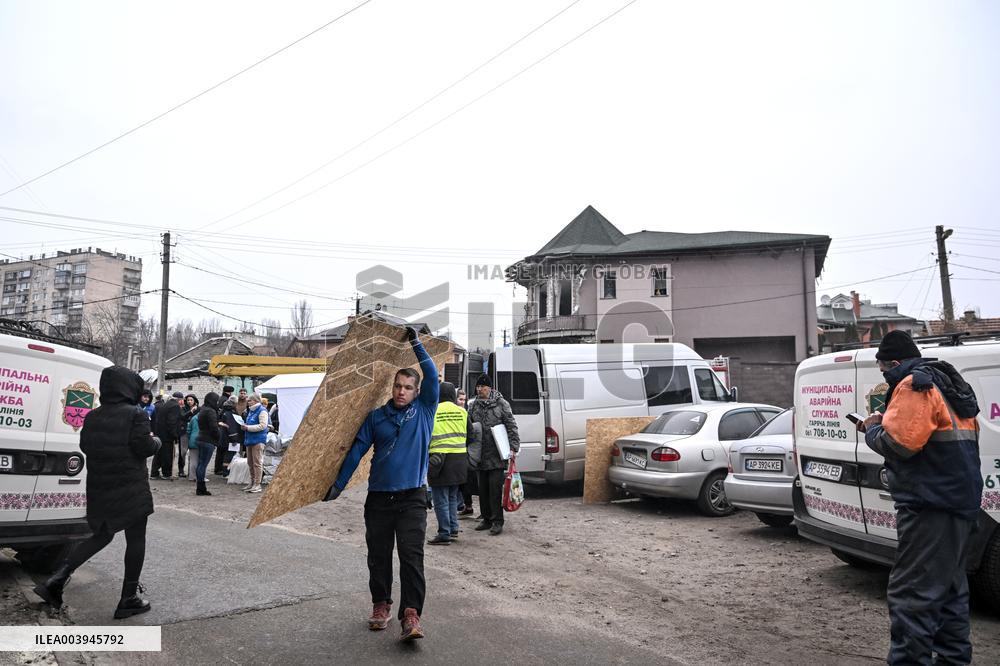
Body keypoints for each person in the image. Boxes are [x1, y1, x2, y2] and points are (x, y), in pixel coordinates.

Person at [858, 330, 982, 665]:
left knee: (912, 594)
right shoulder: (947, 385)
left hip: (930, 506)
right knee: (950, 592)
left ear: (894, 363)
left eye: (884, 369)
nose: (884, 375)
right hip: (959, 504)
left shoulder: (914, 385)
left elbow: (900, 444)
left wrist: (872, 427)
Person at [323, 327, 438, 641]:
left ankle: (411, 614)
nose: (402, 391)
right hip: (379, 499)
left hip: (413, 497)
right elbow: (357, 450)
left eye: (408, 387)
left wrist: (416, 342)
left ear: (416, 391)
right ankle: (381, 605)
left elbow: (431, 374)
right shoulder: (376, 417)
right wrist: (339, 484)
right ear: (393, 387)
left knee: (412, 557)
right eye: (398, 386)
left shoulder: (425, 410)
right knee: (379, 554)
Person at [33, 366, 158, 619]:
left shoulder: (92, 416)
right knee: (135, 539)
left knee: (101, 535)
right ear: (129, 388)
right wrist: (157, 441)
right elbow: (143, 447)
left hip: (100, 486)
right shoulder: (137, 414)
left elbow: (86, 445)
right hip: (130, 487)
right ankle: (128, 598)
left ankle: (56, 579)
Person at [468, 374, 519, 536]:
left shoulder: (501, 404)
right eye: (478, 387)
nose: (479, 389)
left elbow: (511, 425)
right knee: (482, 489)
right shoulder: (474, 405)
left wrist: (514, 447)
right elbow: (469, 425)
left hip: (496, 454)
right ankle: (487, 518)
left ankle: (498, 520)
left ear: (490, 388)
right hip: (480, 454)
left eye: (482, 387)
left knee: (494, 489)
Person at [427, 382, 469, 545]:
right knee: (452, 497)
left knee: (440, 499)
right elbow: (470, 435)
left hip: (439, 460)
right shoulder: (462, 411)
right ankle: (453, 529)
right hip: (459, 460)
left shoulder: (433, 411)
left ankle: (444, 533)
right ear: (453, 394)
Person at [240, 393, 269, 493]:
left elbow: (263, 426)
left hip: (258, 440)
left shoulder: (262, 411)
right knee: (250, 462)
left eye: (250, 400)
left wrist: (248, 428)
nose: (248, 402)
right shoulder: (251, 411)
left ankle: (257, 484)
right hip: (249, 439)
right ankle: (252, 482)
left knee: (257, 463)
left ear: (256, 401)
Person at [151, 391, 183, 479]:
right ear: (179, 400)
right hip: (167, 435)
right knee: (167, 455)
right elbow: (171, 421)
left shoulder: (167, 404)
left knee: (159, 454)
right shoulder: (175, 406)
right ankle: (167, 474)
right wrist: (175, 435)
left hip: (160, 433)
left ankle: (154, 473)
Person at [195, 393, 220, 496]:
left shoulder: (203, 409)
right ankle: (201, 488)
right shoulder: (211, 411)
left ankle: (199, 487)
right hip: (208, 440)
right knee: (203, 465)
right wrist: (219, 435)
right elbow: (213, 428)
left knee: (200, 464)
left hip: (200, 438)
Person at [216, 396, 240, 476]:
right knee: (229, 455)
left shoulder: (224, 411)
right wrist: (234, 439)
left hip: (223, 437)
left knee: (223, 454)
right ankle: (226, 472)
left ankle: (222, 470)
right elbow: (231, 426)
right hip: (229, 438)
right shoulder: (230, 413)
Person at [179, 394, 198, 478]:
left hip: (194, 433)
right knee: (183, 452)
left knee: (193, 452)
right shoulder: (183, 409)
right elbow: (182, 417)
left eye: (191, 400)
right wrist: (190, 412)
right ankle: (181, 470)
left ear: (195, 401)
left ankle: (192, 471)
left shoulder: (198, 409)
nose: (189, 402)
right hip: (185, 432)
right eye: (188, 400)